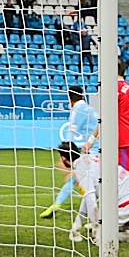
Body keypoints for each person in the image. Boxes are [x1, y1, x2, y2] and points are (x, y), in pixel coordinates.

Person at [40, 86, 99, 219]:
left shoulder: (77, 110)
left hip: (90, 151)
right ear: (82, 96)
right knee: (81, 180)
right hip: (101, 149)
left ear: (70, 100)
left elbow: (71, 133)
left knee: (78, 179)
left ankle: (56, 206)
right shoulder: (91, 109)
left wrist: (65, 156)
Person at [83, 60, 129, 176]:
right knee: (126, 178)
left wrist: (90, 141)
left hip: (125, 141)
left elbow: (105, 118)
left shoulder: (114, 89)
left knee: (126, 181)